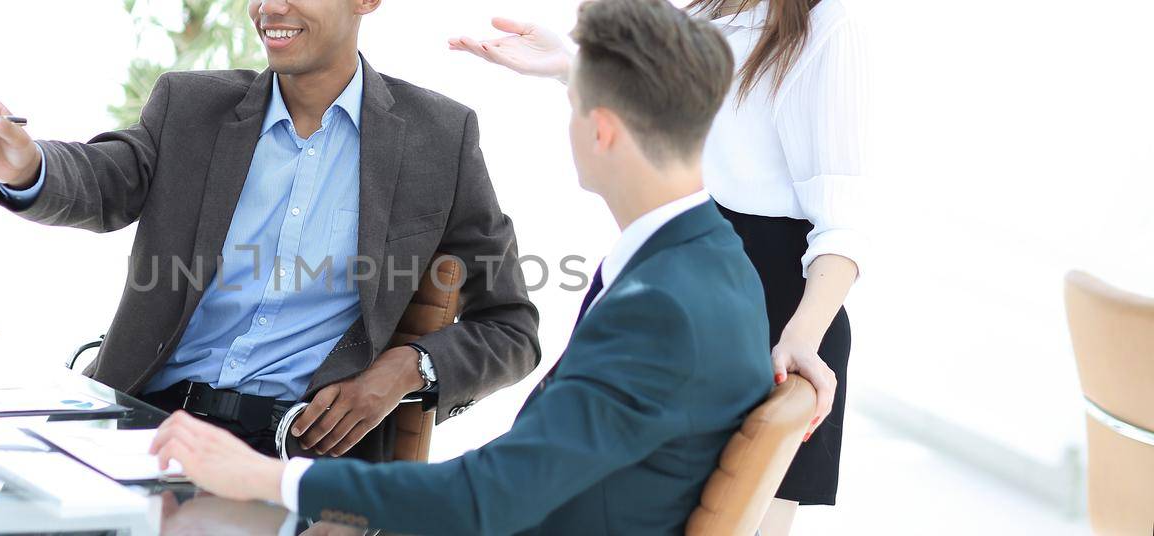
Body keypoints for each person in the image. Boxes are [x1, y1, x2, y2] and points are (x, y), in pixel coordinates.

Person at [149, 1, 775, 533]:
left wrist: (267, 477)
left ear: (602, 132)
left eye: (574, 103)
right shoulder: (719, 262)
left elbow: (487, 499)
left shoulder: (660, 305)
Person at [0, 0, 539, 462]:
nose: (270, 8)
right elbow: (107, 178)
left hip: (293, 449)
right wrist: (25, 167)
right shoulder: (189, 106)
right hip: (140, 420)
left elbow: (512, 328)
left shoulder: (438, 137)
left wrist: (407, 367)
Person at [448, 0, 868, 531]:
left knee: (729, 516)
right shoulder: (708, 11)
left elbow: (844, 223)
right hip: (677, 270)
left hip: (778, 313)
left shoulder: (829, 25)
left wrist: (802, 337)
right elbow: (676, 121)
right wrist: (575, 66)